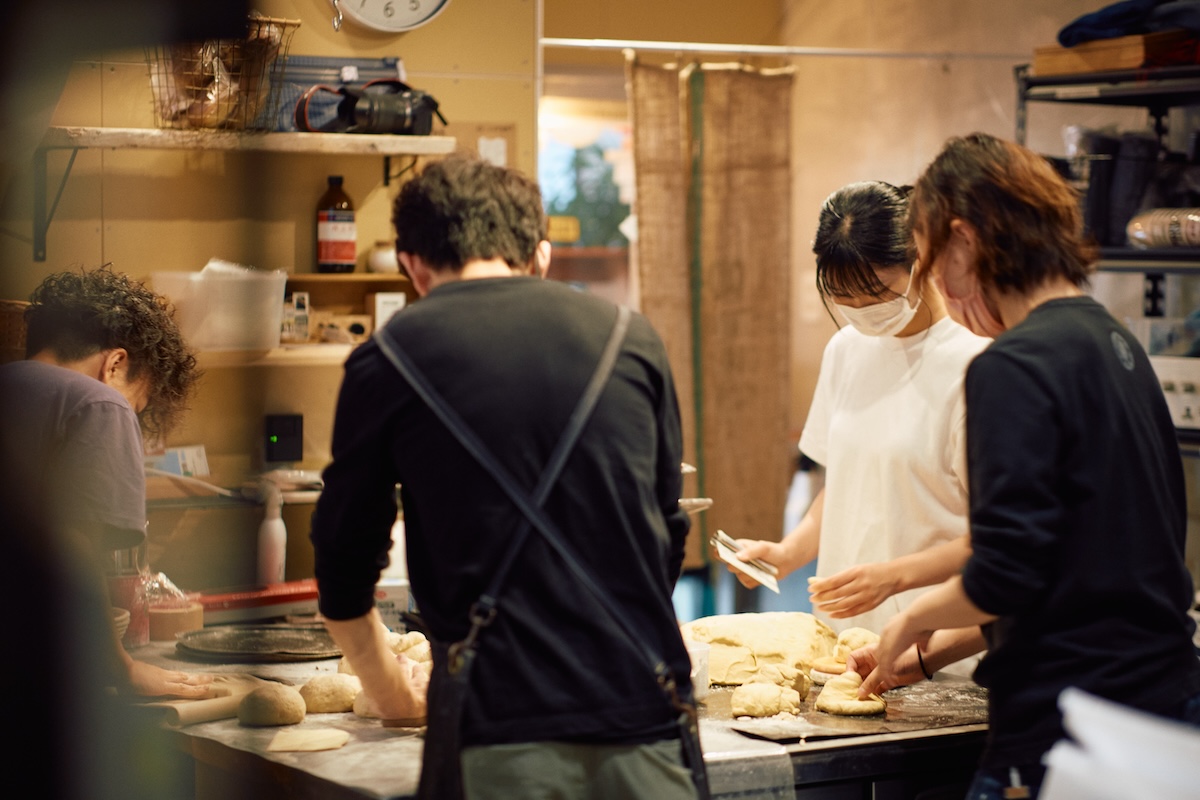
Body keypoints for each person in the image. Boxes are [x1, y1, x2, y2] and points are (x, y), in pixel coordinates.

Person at [310, 155, 700, 800]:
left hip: (499, 735)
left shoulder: (387, 359)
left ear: (412, 265)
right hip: (647, 715)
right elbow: (667, 530)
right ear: (540, 256)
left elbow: (344, 561)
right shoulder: (632, 338)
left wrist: (389, 692)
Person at [857, 133, 1200, 800]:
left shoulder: (1014, 366)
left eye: (931, 266)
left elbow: (1006, 570)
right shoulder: (1111, 341)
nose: (942, 292)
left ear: (964, 241)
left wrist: (908, 621)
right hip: (1164, 709)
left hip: (1072, 731)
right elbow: (1075, 566)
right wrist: (928, 656)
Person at [728, 181, 989, 641]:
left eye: (877, 293)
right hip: (843, 634)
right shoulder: (847, 349)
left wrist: (893, 575)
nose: (862, 312)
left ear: (922, 261)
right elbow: (846, 484)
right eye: (844, 300)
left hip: (936, 643)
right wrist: (787, 553)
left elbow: (999, 538)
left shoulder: (975, 365)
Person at [0, 267, 211, 699]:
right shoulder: (100, 401)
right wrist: (122, 667)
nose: (128, 415)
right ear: (115, 364)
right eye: (138, 405)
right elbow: (74, 547)